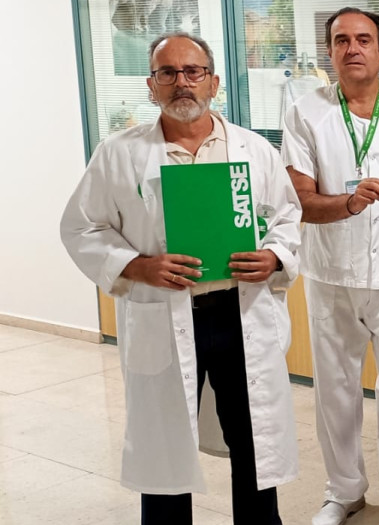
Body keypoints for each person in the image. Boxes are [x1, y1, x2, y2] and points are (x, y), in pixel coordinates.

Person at [60, 33, 301, 524]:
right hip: (165, 318)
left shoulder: (254, 150)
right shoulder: (118, 154)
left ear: (213, 81)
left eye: (193, 72)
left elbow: (286, 217)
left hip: (241, 315)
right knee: (165, 447)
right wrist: (138, 265)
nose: (181, 83)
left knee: (254, 445)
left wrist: (274, 257)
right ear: (151, 86)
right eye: (167, 73)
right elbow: (81, 227)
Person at [279, 7, 379, 524]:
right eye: (342, 40)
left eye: (363, 39)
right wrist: (347, 204)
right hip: (331, 274)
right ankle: (344, 489)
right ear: (329, 51)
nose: (353, 48)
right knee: (336, 387)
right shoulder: (306, 113)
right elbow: (299, 199)